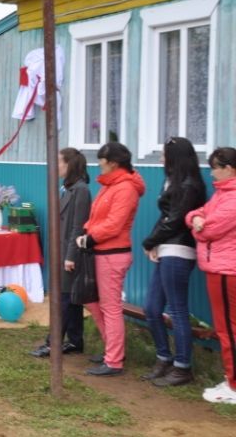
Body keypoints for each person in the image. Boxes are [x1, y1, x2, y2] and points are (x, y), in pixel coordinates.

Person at [140, 137, 206, 386]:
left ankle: (182, 367)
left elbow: (176, 220)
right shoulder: (173, 181)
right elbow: (166, 217)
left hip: (179, 250)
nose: (160, 159)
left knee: (177, 310)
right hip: (166, 247)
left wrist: (149, 241)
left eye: (164, 154)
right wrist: (154, 242)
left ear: (175, 157)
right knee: (152, 308)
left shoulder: (189, 186)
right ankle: (163, 357)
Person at [77, 142, 146, 376]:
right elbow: (97, 216)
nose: (99, 164)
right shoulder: (111, 185)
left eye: (101, 161)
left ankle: (114, 360)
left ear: (113, 163)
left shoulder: (125, 188)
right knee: (95, 303)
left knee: (110, 307)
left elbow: (114, 224)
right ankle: (112, 351)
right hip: (101, 251)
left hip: (112, 254)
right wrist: (87, 232)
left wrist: (91, 237)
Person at [31, 147, 92, 358]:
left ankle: (53, 342)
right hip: (62, 251)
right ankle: (75, 341)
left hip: (70, 254)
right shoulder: (68, 188)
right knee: (72, 300)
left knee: (64, 300)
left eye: (59, 162)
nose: (56, 166)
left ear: (70, 165)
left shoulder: (81, 190)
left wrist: (70, 256)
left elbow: (78, 227)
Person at [186, 147, 236, 404]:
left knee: (228, 329)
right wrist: (197, 219)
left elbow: (209, 230)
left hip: (227, 270)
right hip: (219, 268)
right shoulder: (221, 194)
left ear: (229, 168)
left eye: (215, 167)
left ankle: (234, 385)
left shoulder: (233, 197)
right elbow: (194, 214)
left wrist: (199, 225)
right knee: (226, 327)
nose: (211, 172)